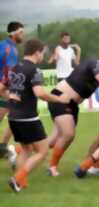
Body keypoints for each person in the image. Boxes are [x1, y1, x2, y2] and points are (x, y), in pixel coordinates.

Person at [47, 54, 99, 177]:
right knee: (68, 134)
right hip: (61, 98)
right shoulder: (95, 62)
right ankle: (52, 167)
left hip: (72, 105)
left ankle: (16, 151)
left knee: (53, 141)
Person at [7, 39, 70, 192]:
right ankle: (16, 179)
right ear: (37, 52)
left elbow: (2, 88)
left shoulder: (15, 68)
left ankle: (21, 183)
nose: (43, 56)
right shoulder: (35, 70)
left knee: (27, 149)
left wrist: (10, 95)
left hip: (13, 116)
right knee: (42, 151)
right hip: (28, 117)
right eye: (42, 53)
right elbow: (40, 93)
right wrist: (59, 99)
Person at [0, 21, 25, 164]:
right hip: (2, 87)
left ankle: (2, 148)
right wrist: (10, 92)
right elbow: (9, 74)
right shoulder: (11, 49)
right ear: (16, 33)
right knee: (17, 113)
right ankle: (2, 148)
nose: (24, 35)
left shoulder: (3, 45)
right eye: (22, 32)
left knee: (9, 113)